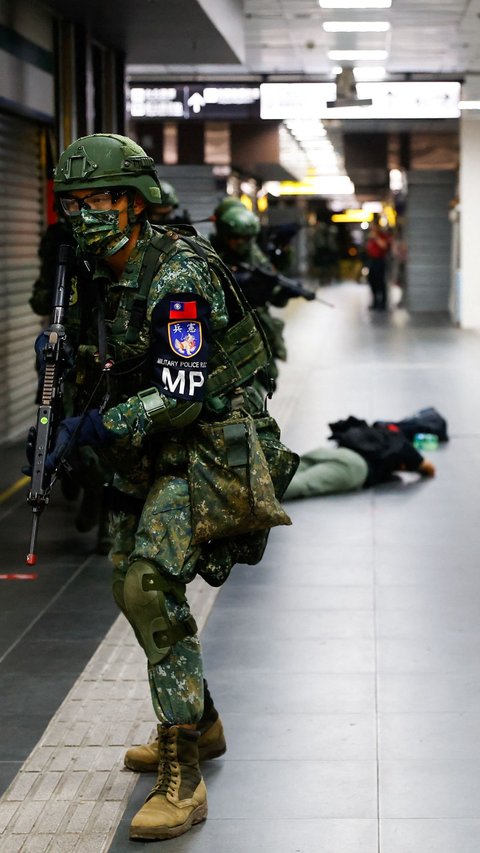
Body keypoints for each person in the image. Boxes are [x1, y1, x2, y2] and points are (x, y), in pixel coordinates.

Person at [38, 133, 293, 841]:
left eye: (96, 200)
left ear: (133, 201)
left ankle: (183, 770)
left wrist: (97, 426)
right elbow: (117, 358)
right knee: (125, 579)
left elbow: (183, 389)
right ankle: (201, 717)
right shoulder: (96, 269)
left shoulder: (177, 273)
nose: (82, 214)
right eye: (73, 202)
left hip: (209, 442)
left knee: (150, 582)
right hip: (148, 448)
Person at [211, 204, 289, 393]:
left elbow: (276, 297)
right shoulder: (211, 254)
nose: (241, 243)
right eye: (236, 238)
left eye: (246, 238)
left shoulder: (254, 255)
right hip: (226, 332)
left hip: (257, 329)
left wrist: (280, 291)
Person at [284, 418, 435, 500]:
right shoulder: (402, 444)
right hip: (354, 466)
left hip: (330, 451)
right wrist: (404, 466)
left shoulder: (376, 431)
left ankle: (260, 487)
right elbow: (429, 469)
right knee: (303, 483)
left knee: (282, 473)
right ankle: (261, 499)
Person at [365, 219, 391, 311]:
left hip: (380, 261)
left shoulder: (382, 236)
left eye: (374, 227)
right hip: (371, 261)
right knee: (372, 282)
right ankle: (375, 302)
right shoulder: (370, 238)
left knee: (380, 282)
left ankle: (383, 303)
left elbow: (384, 246)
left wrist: (376, 237)